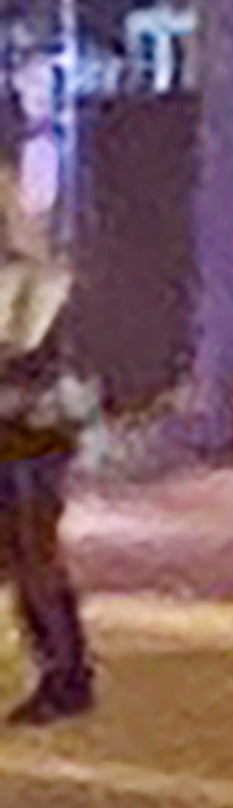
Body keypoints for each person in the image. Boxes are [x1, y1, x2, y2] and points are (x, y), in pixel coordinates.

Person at [0, 242, 96, 725]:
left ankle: (67, 675)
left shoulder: (35, 285)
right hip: (22, 432)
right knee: (24, 558)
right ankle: (61, 672)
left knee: (33, 555)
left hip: (30, 434)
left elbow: (24, 353)